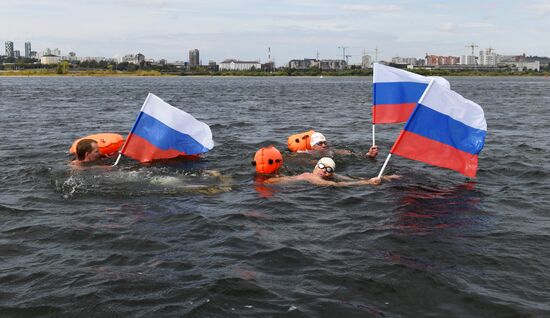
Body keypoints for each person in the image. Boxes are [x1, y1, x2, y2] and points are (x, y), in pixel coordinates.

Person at [264, 157, 398, 187]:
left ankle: (388, 176)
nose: (324, 171)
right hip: (273, 183)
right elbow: (336, 185)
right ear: (315, 166)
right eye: (322, 166)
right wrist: (367, 183)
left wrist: (383, 177)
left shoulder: (332, 176)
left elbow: (349, 178)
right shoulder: (309, 176)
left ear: (332, 173)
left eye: (328, 169)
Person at [308, 132, 378, 158]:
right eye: (320, 143)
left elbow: (351, 154)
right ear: (313, 146)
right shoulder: (307, 154)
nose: (324, 145)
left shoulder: (330, 151)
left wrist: (368, 154)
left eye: (325, 143)